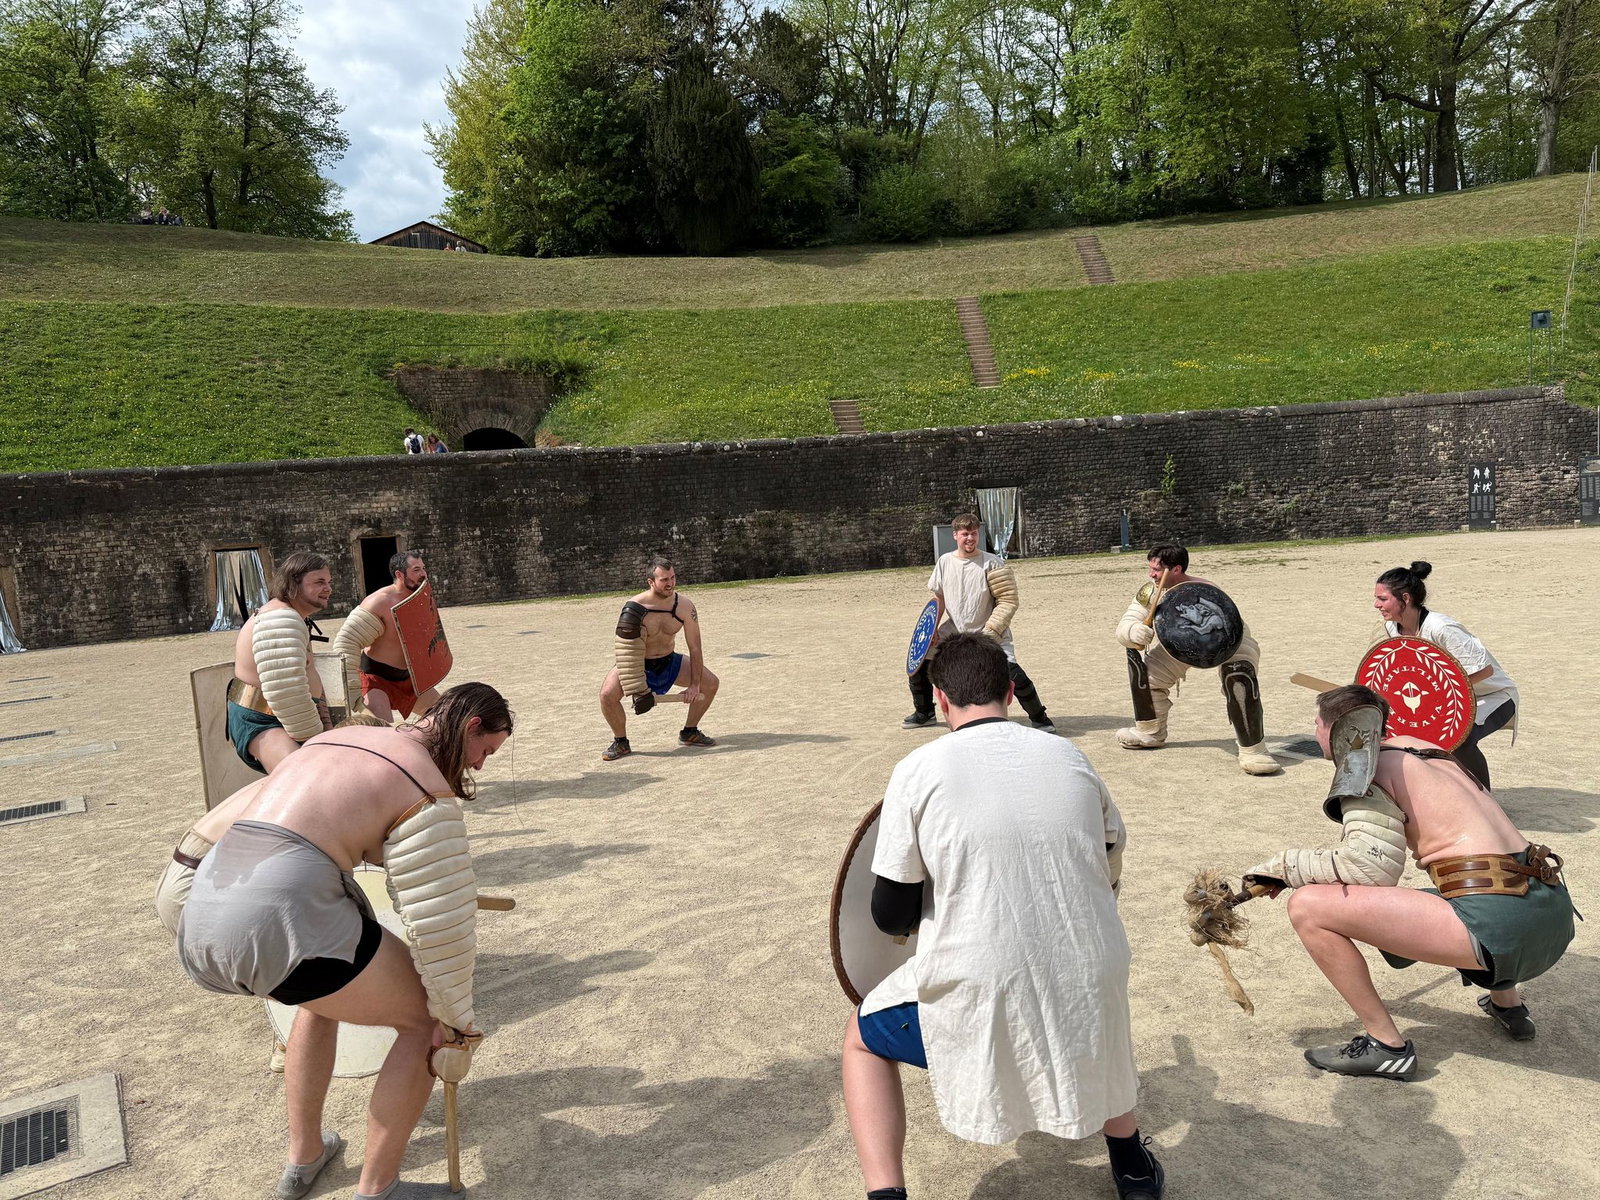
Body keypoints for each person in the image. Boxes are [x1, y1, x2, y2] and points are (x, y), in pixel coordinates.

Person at [845, 633, 1163, 1200]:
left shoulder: (918, 770)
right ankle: (1131, 1163)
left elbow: (890, 914)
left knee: (862, 1041)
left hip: (986, 986)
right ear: (1011, 692)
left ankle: (886, 1194)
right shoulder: (1070, 756)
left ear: (940, 699)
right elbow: (1108, 862)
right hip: (1092, 973)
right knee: (1098, 1028)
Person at [176, 683, 512, 1199]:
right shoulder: (422, 781)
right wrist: (456, 1018)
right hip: (279, 917)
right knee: (424, 1022)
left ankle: (304, 1158)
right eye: (485, 751)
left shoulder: (338, 740)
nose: (481, 766)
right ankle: (377, 1190)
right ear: (470, 727)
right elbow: (440, 923)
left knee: (322, 999)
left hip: (204, 913)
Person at [1239, 685, 1575, 1081]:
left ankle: (1386, 1047)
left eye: (1316, 724)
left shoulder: (1369, 763)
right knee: (1464, 889)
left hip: (1505, 930)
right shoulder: (1426, 748)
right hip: (1550, 910)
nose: (1314, 733)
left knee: (1308, 906)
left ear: (1335, 728)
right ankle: (1509, 1005)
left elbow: (1370, 868)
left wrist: (1284, 867)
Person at [1114, 544, 1279, 776]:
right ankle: (1151, 731)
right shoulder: (1150, 593)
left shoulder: (1207, 589)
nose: (1151, 575)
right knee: (1147, 673)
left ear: (1177, 569)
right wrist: (1133, 631)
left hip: (1229, 641)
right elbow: (1126, 623)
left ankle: (1254, 749)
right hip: (1179, 646)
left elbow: (1228, 621)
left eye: (1157, 570)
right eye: (1150, 569)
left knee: (1239, 678)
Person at [1374, 560, 1518, 790]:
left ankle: (1485, 801)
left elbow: (1485, 670)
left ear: (1405, 599)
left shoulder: (1441, 628)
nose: (1376, 605)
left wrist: (1440, 690)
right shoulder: (1393, 627)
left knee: (1457, 739)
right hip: (1444, 698)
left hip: (1493, 697)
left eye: (1383, 599)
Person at [904, 513, 1054, 733]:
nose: (970, 538)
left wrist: (990, 632)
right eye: (965, 534)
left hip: (989, 628)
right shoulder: (945, 562)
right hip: (955, 629)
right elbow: (939, 599)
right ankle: (924, 711)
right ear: (955, 535)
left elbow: (1007, 601)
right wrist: (933, 629)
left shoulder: (992, 564)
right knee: (920, 662)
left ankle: (1040, 718)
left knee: (1010, 670)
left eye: (974, 533)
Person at [599, 555, 719, 760]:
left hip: (668, 661)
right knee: (607, 696)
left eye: (672, 577)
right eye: (664, 580)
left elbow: (695, 648)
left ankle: (690, 731)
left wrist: (694, 685)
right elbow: (625, 650)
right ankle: (621, 742)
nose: (670, 583)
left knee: (711, 684)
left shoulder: (685, 606)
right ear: (651, 582)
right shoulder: (635, 608)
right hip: (638, 664)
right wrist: (635, 686)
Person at [227, 551, 336, 774]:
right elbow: (287, 693)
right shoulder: (279, 619)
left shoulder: (294, 616)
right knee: (304, 776)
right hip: (262, 722)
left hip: (283, 718)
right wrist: (316, 739)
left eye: (328, 582)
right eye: (319, 582)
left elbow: (305, 674)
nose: (328, 588)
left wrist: (325, 721)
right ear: (293, 583)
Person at [332, 550, 445, 723]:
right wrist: (351, 688)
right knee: (381, 732)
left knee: (445, 717)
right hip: (376, 679)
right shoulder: (379, 602)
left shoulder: (420, 597)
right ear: (399, 574)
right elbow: (347, 642)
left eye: (423, 568)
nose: (423, 574)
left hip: (409, 678)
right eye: (416, 570)